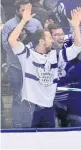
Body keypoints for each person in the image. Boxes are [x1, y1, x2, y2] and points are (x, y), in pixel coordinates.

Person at [8, 4, 81, 128]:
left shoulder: (55, 55)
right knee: (29, 143)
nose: (52, 40)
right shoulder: (27, 55)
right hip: (30, 107)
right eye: (49, 38)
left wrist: (76, 27)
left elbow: (77, 48)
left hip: (48, 108)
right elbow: (12, 40)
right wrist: (23, 21)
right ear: (41, 41)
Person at [1, 0, 43, 128]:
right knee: (18, 97)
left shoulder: (36, 23)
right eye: (22, 10)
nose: (25, 13)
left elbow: (43, 42)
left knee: (32, 97)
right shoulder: (9, 25)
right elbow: (5, 47)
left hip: (33, 66)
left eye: (27, 10)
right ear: (16, 11)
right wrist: (18, 39)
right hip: (16, 66)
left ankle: (30, 124)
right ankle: (17, 126)